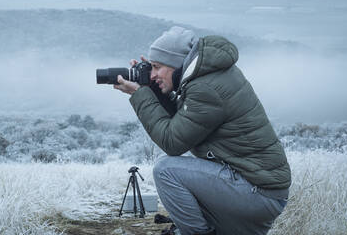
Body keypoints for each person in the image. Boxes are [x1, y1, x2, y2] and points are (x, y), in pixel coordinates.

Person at [114, 26, 291, 235]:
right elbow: (185, 122)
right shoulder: (207, 77)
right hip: (258, 188)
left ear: (176, 64)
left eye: (156, 67)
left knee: (166, 170)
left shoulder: (206, 88)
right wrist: (154, 90)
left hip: (258, 193)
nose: (152, 75)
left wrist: (141, 95)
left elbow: (172, 141)